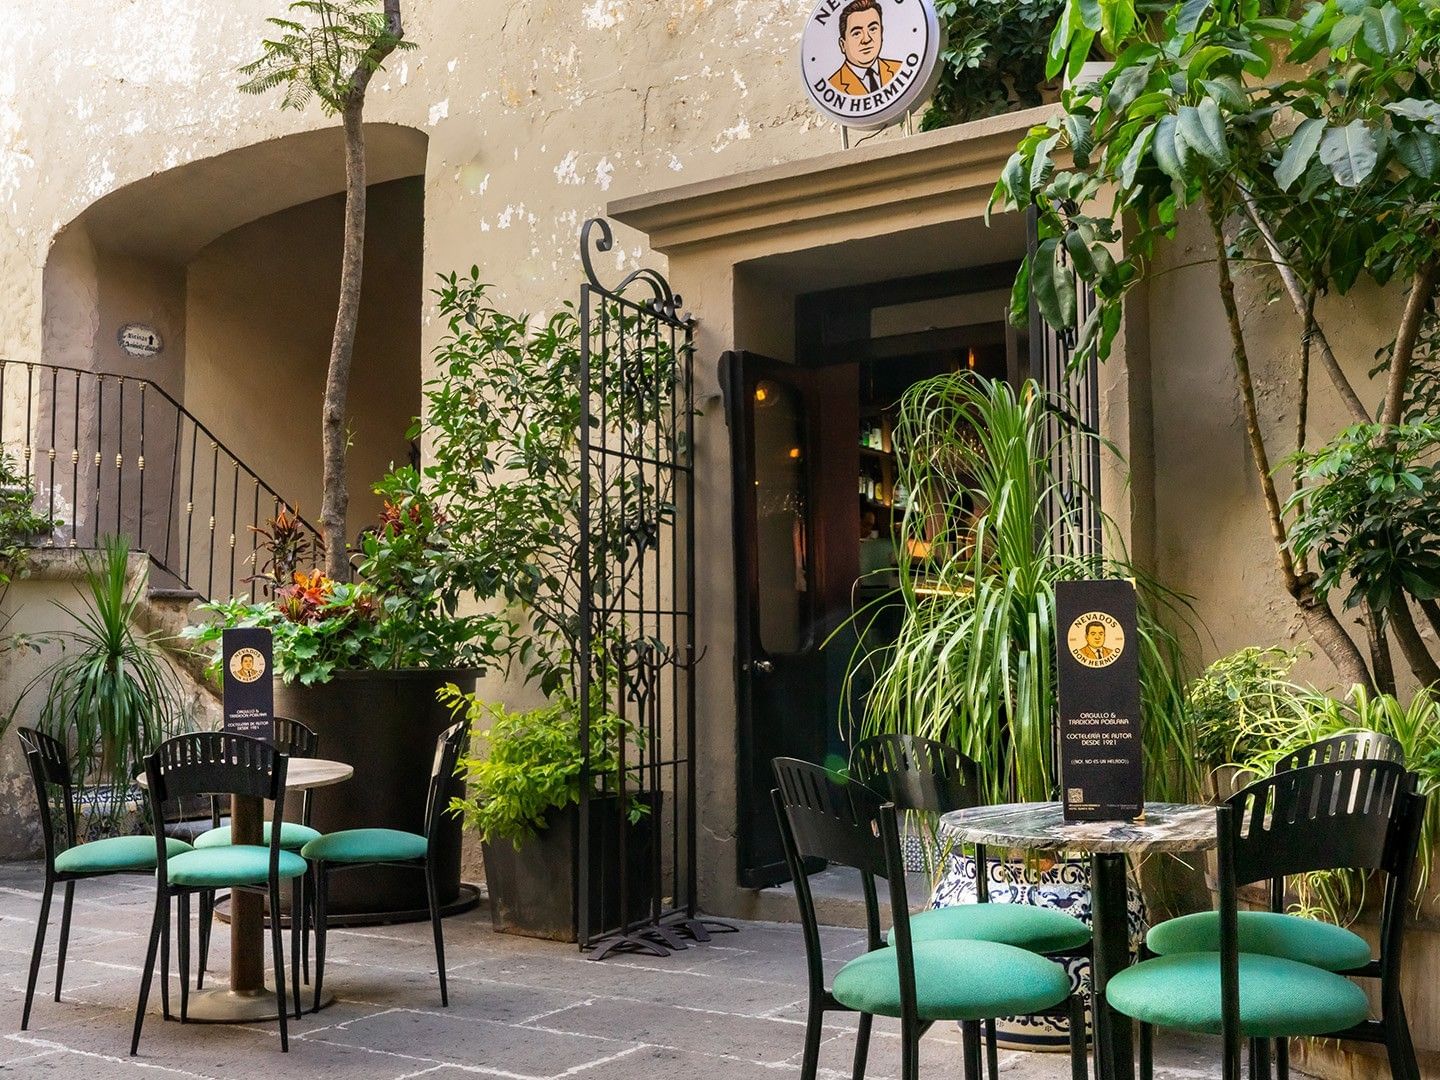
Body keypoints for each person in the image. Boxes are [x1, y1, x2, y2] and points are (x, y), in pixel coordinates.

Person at [827, 0, 902, 96]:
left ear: (881, 33)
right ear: (842, 44)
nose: (866, 39)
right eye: (857, 33)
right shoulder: (834, 86)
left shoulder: (899, 69)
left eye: (872, 29)